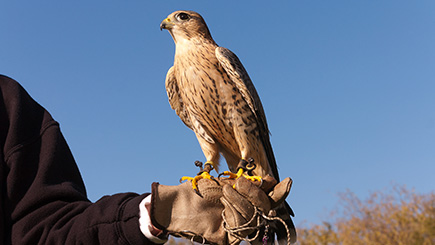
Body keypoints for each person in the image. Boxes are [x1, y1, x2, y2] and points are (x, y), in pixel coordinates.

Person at [0, 75, 292, 244]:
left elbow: (44, 229)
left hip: (249, 152)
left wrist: (157, 212)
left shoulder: (7, 102)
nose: (167, 23)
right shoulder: (174, 79)